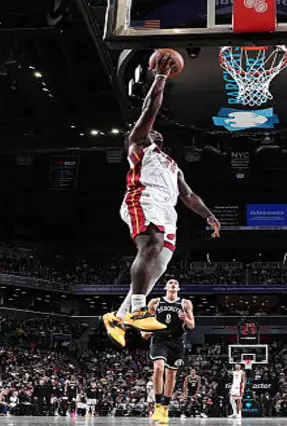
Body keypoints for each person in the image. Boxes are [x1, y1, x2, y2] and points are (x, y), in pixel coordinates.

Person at [102, 52, 220, 347]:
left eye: (156, 131)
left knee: (159, 267)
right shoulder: (139, 144)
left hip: (168, 210)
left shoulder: (172, 165)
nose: (154, 130)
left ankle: (118, 317)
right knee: (151, 244)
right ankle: (139, 309)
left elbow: (188, 195)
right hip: (143, 197)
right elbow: (151, 107)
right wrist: (161, 76)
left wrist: (208, 215)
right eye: (150, 128)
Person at [145, 279, 195, 424]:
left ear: (178, 288)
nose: (173, 284)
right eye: (170, 283)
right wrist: (144, 331)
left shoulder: (185, 303)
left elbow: (192, 325)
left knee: (171, 375)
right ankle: (158, 405)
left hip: (177, 341)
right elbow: (146, 320)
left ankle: (165, 408)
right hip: (159, 339)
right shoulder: (155, 302)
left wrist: (186, 319)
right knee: (158, 368)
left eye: (175, 283)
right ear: (165, 287)